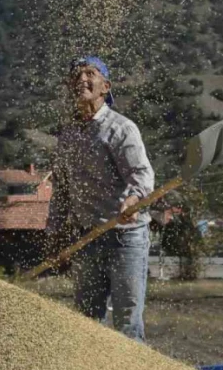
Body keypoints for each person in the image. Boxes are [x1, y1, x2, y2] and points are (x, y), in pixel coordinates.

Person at [47, 56, 155, 342]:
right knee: (85, 322)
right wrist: (56, 232)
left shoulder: (121, 128)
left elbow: (141, 174)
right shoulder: (68, 135)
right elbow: (62, 190)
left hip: (126, 237)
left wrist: (134, 198)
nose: (82, 79)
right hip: (88, 238)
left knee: (127, 322)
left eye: (90, 73)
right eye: (76, 75)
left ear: (105, 86)